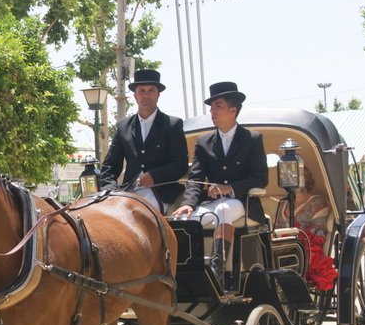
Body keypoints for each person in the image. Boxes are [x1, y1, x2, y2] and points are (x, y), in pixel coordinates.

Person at [172, 81, 268, 285]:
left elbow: (260, 177)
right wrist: (188, 204)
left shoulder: (252, 139)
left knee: (224, 209)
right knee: (183, 222)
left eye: (218, 106)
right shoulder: (204, 141)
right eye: (211, 107)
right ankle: (185, 274)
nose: (212, 111)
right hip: (210, 204)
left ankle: (218, 268)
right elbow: (195, 178)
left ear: (233, 110)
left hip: (242, 203)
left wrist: (229, 188)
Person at [98, 69, 189, 213]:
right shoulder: (123, 127)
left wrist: (155, 176)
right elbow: (110, 165)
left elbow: (180, 164)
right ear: (135, 95)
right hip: (129, 191)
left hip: (162, 192)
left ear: (158, 94)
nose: (146, 95)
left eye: (151, 90)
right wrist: (109, 191)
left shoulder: (172, 124)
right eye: (141, 91)